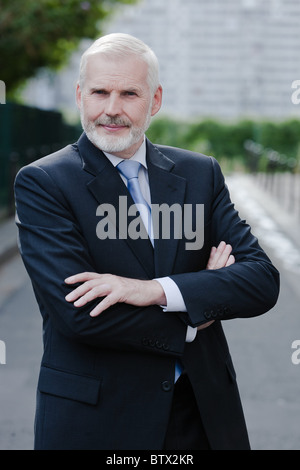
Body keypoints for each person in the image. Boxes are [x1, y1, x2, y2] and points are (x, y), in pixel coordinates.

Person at [14, 33, 279, 450]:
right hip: (98, 422)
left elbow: (262, 280)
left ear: (154, 100)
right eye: (100, 92)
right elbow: (80, 313)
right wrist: (194, 312)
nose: (112, 109)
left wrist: (154, 291)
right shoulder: (45, 182)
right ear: (81, 95)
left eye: (129, 94)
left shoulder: (200, 174)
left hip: (202, 416)